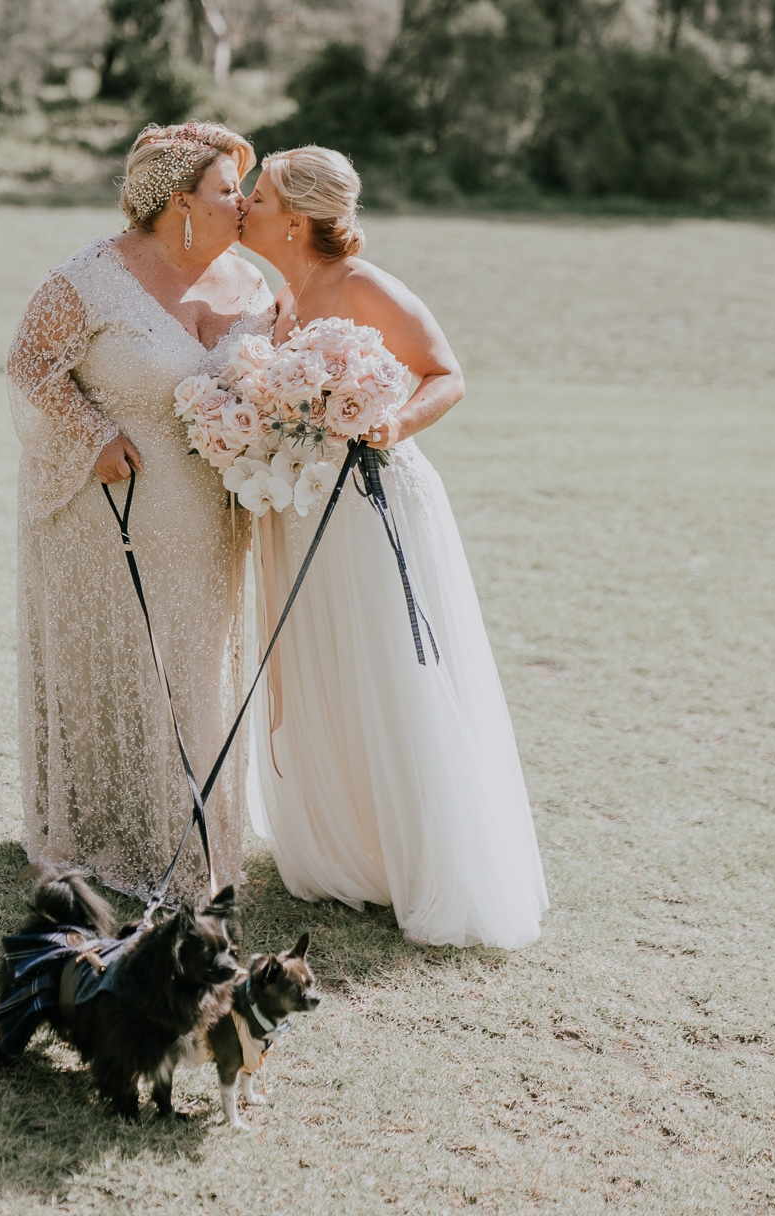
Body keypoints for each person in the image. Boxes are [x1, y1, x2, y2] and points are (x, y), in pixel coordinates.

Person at [237, 146, 548, 948]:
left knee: (385, 667)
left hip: (371, 503)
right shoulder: (281, 297)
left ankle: (427, 854)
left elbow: (445, 373)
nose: (244, 204)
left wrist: (392, 421)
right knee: (322, 665)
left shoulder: (364, 288)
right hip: (297, 505)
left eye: (258, 195)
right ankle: (350, 847)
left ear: (297, 220)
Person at [7, 121, 273, 897]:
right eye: (229, 191)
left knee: (191, 673)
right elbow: (30, 364)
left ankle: (187, 830)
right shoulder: (92, 277)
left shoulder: (249, 283)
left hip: (209, 518)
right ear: (180, 203)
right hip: (103, 512)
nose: (244, 204)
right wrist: (93, 435)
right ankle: (98, 833)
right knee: (109, 665)